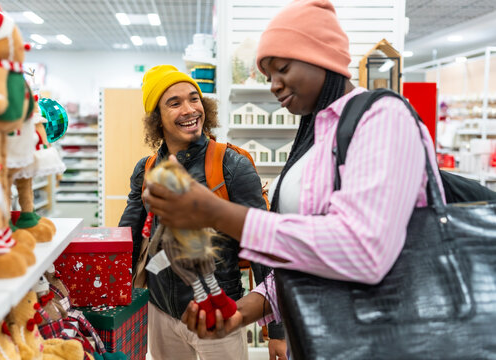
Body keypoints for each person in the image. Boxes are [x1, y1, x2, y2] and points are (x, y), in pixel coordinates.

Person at [143, 0, 445, 348]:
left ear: (322, 57)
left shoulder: (383, 118)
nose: (273, 85)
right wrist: (244, 312)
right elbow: (311, 257)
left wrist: (216, 212)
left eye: (282, 68)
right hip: (319, 340)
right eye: (268, 75)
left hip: (380, 342)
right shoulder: (316, 138)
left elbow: (363, 251)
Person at [118, 65, 287, 360]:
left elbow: (263, 247)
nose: (189, 109)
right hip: (161, 314)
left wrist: (277, 331)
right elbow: (127, 241)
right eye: (175, 102)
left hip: (219, 316)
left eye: (194, 99)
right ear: (157, 118)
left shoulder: (232, 165)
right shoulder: (145, 170)